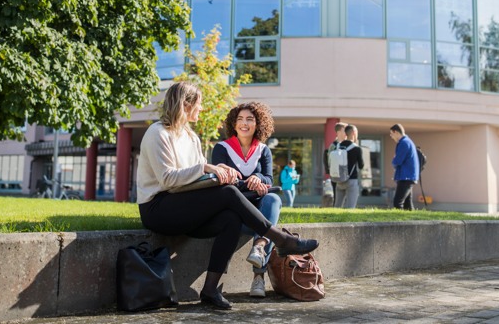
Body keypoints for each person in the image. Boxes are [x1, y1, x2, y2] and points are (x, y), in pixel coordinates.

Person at [136, 82, 319, 310]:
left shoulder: (191, 137)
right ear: (186, 104)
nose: (201, 109)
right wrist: (207, 168)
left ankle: (210, 289)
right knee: (229, 194)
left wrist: (218, 176)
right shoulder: (158, 133)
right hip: (158, 209)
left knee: (230, 218)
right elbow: (168, 180)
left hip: (185, 207)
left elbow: (193, 180)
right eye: (199, 105)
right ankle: (280, 239)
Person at [211, 101, 282, 298]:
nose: (245, 123)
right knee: (267, 221)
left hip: (259, 209)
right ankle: (260, 273)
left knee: (273, 200)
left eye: (250, 119)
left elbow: (269, 178)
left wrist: (258, 178)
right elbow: (219, 180)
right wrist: (248, 183)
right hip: (233, 213)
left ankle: (258, 260)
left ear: (258, 124)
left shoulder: (263, 150)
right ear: (234, 124)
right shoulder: (222, 148)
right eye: (240, 119)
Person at [389, 124, 420, 210]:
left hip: (405, 177)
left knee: (397, 202)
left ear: (396, 132)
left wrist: (393, 161)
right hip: (408, 176)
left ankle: (399, 222)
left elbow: (398, 160)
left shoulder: (403, 143)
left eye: (391, 134)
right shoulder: (407, 141)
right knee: (407, 204)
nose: (391, 137)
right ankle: (412, 222)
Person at [334, 125, 364, 208]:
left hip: (339, 180)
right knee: (350, 207)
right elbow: (361, 166)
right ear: (354, 133)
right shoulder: (356, 148)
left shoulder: (338, 146)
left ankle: (334, 220)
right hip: (351, 180)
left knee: (337, 206)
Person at [323, 122, 348, 206]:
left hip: (347, 174)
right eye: (345, 130)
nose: (347, 132)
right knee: (337, 196)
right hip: (336, 174)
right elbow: (330, 161)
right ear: (339, 132)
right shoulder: (333, 146)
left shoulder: (348, 144)